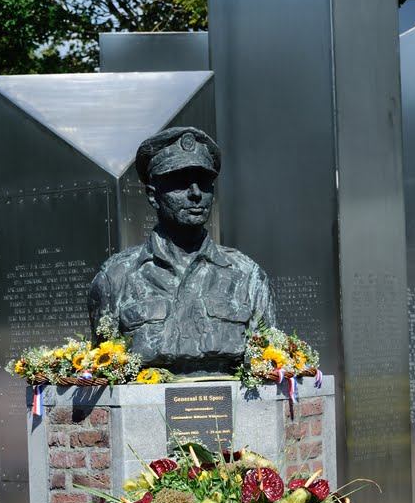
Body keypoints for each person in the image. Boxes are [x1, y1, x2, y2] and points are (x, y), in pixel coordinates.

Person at [87, 126, 275, 376]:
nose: (196, 194)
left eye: (205, 184)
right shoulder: (116, 277)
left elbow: (271, 366)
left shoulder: (247, 275)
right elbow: (103, 371)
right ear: (153, 196)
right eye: (180, 183)